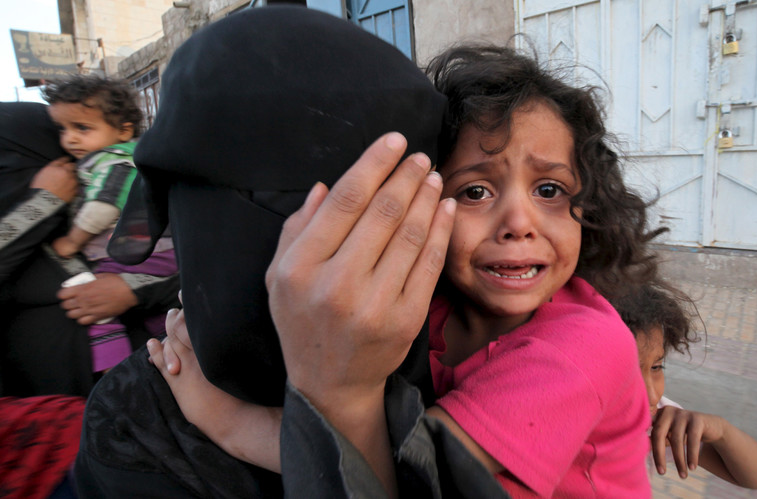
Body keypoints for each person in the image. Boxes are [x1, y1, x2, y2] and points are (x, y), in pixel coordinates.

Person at [150, 45, 666, 497]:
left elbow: (400, 478)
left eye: (549, 191)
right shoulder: (434, 307)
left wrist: (228, 423)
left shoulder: (583, 347)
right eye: (475, 192)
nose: (518, 223)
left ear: (591, 207)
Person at [74, 6, 505, 497]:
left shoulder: (482, 349)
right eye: (277, 204)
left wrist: (286, 418)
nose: (322, 270)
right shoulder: (138, 420)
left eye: (381, 213)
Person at [0, 101, 178, 397]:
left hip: (150, 401)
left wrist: (132, 289)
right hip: (47, 421)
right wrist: (42, 203)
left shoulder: (116, 207)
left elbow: (197, 277)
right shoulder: (37, 217)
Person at [42, 75, 178, 373]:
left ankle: (113, 374)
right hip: (149, 252)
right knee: (160, 317)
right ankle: (170, 353)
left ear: (123, 130)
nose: (70, 139)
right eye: (63, 129)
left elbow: (104, 206)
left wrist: (73, 242)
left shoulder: (114, 160)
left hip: (140, 253)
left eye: (82, 128)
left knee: (97, 309)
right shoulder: (111, 157)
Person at [612, 282, 757, 489]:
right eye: (626, 374)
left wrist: (721, 431)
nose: (653, 396)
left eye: (656, 367)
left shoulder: (659, 424)